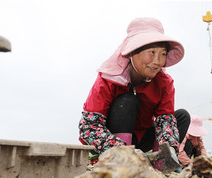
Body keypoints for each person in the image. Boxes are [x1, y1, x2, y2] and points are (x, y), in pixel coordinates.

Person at [78, 17, 190, 164]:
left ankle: (160, 166)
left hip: (141, 139)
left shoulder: (164, 82)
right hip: (110, 142)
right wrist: (118, 149)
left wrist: (168, 150)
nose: (157, 61)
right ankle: (122, 163)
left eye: (162, 54)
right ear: (132, 53)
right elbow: (89, 126)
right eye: (151, 52)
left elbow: (165, 121)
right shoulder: (108, 80)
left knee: (182, 116)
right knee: (127, 101)